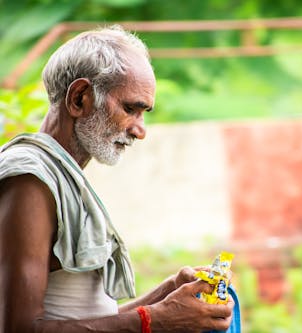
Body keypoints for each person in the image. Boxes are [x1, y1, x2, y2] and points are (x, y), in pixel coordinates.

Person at [0, 26, 236, 332]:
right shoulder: (31, 180)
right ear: (79, 98)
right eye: (130, 109)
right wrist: (155, 319)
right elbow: (21, 328)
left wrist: (168, 293)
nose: (140, 130)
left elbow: (83, 321)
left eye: (143, 113)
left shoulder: (61, 176)